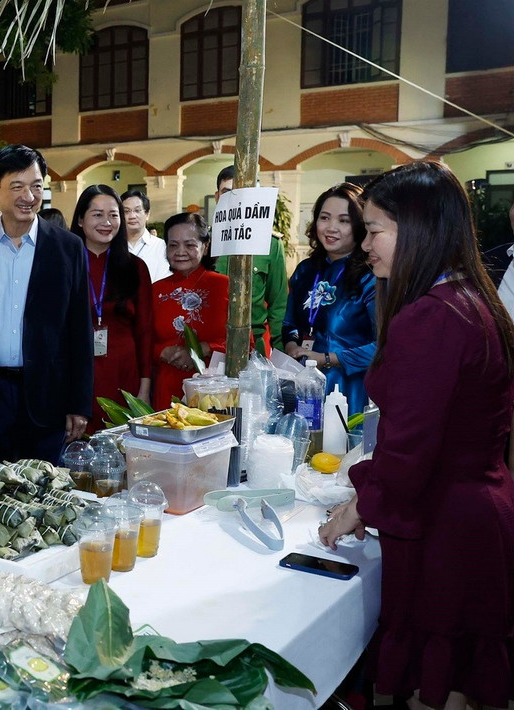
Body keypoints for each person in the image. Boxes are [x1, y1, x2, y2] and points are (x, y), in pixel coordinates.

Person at [319, 161, 514, 710]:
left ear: (420, 229)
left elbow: (408, 452)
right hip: (478, 513)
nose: (366, 245)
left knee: (432, 685)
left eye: (376, 230)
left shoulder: (432, 317)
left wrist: (358, 506)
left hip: (445, 532)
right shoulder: (472, 299)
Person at [0, 144, 93, 464]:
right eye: (17, 186)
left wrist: (79, 403)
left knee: (44, 498)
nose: (29, 195)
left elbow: (80, 331)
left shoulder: (68, 249)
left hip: (47, 400)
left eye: (36, 186)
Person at [282, 183, 376, 415]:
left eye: (344, 220)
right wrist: (292, 345)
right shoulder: (305, 270)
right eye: (325, 218)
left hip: (351, 389)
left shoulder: (371, 275)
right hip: (305, 384)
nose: (331, 227)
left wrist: (328, 358)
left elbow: (385, 346)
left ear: (359, 226)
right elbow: (290, 323)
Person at [70, 185, 152, 432]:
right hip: (77, 378)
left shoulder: (135, 267)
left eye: (114, 215)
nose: (107, 222)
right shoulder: (63, 265)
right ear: (81, 220)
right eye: (97, 214)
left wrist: (144, 391)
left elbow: (145, 332)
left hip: (124, 377)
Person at [151, 212, 229, 410]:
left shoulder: (224, 286)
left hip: (213, 392)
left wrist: (202, 349)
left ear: (206, 246)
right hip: (167, 390)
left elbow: (247, 345)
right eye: (173, 245)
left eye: (190, 244)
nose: (180, 251)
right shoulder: (156, 290)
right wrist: (162, 351)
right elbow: (143, 342)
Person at [213, 166, 288, 353]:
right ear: (217, 197)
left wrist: (281, 353)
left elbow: (278, 305)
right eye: (228, 193)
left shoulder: (271, 244)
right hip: (211, 344)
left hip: (253, 344)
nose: (237, 201)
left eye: (245, 194)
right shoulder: (205, 243)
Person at [121, 189, 171, 283]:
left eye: (137, 210)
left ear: (147, 214)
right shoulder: (113, 245)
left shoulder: (162, 247)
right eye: (126, 211)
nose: (132, 216)